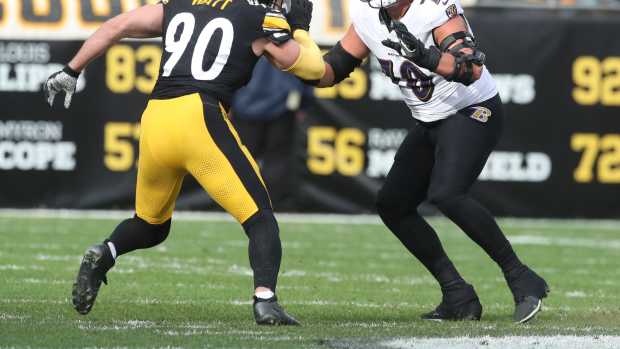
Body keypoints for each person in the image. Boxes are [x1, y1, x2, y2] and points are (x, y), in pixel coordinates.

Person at [43, 0, 323, 325]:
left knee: (150, 225)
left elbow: (115, 26)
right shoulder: (258, 17)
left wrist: (71, 70)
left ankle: (105, 253)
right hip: (199, 116)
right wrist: (299, 29)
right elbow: (312, 69)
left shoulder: (179, 3)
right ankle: (265, 300)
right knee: (260, 218)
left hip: (156, 118)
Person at [311, 0, 549, 323]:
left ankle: (520, 276)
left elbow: (471, 68)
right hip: (432, 119)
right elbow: (330, 71)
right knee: (393, 204)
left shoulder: (433, 9)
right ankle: (457, 294)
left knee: (448, 193)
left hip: (473, 109)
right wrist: (290, 52)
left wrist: (427, 57)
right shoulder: (367, 15)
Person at [231, 57, 313, 210]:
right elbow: (307, 66)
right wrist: (303, 103)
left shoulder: (243, 34)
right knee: (277, 161)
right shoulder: (292, 35)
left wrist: (228, 101)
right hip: (281, 105)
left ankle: (241, 204)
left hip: (246, 104)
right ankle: (273, 205)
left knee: (243, 160)